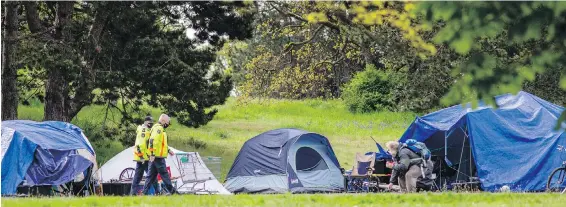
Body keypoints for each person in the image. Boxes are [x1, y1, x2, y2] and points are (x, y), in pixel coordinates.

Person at [142, 114, 177, 195]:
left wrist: (168, 150)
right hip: (157, 157)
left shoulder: (156, 127)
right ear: (163, 121)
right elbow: (153, 141)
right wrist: (153, 154)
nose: (168, 124)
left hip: (155, 156)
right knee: (165, 175)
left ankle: (144, 193)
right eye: (168, 122)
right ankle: (173, 192)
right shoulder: (159, 128)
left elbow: (161, 143)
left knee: (150, 177)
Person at [129, 116, 158, 195]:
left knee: (138, 177)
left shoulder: (145, 130)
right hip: (144, 158)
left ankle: (133, 193)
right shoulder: (144, 131)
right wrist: (142, 157)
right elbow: (140, 145)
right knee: (152, 175)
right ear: (146, 122)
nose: (151, 124)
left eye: (152, 123)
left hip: (142, 157)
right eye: (150, 123)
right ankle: (158, 192)